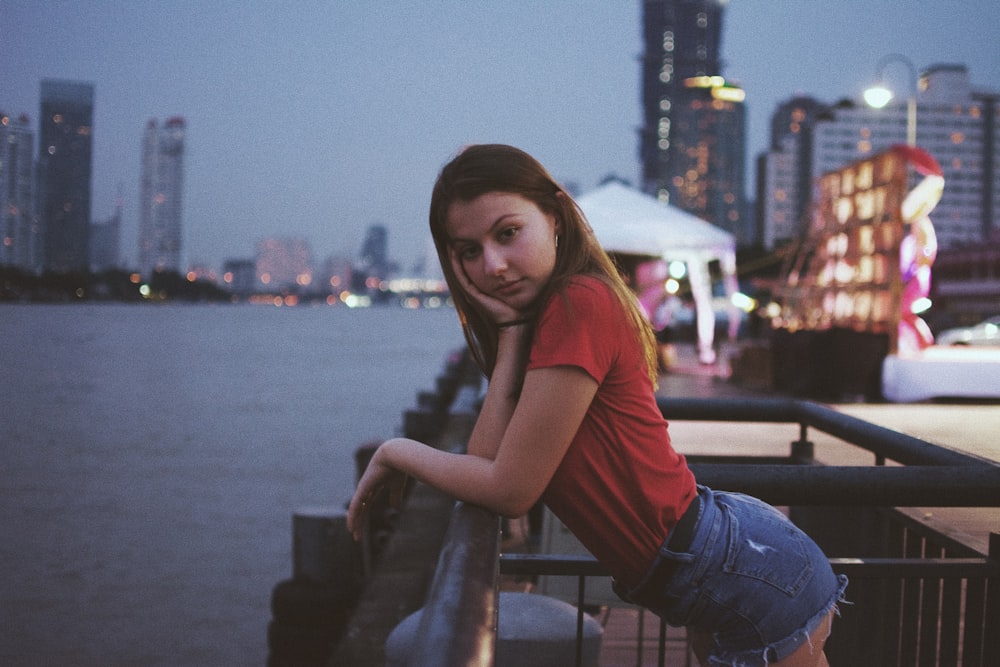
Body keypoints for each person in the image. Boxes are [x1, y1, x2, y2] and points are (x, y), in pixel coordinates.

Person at [347, 144, 847, 666]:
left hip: (742, 573)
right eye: (468, 250)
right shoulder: (549, 318)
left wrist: (397, 452)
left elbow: (510, 489)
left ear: (556, 217)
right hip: (720, 570)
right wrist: (512, 337)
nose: (492, 265)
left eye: (508, 233)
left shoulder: (578, 302)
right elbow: (485, 459)